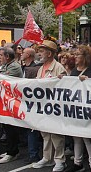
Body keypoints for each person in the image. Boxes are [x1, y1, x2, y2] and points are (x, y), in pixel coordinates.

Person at [32, 40, 67, 172]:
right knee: (45, 133)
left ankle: (60, 160)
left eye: (41, 51)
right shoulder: (41, 68)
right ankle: (47, 158)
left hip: (55, 107)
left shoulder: (58, 68)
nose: (39, 54)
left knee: (56, 134)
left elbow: (64, 87)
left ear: (50, 53)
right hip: (43, 106)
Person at [65, 45, 91, 172]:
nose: (75, 57)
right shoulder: (74, 70)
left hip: (87, 109)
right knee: (76, 137)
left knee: (87, 137)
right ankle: (77, 162)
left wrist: (87, 81)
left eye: (78, 54)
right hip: (76, 108)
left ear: (85, 57)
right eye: (74, 54)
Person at [0, 47, 24, 164]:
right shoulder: (6, 66)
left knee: (11, 128)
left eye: (1, 56)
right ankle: (11, 149)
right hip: (6, 100)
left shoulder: (14, 66)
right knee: (7, 127)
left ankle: (12, 152)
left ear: (7, 56)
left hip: (13, 101)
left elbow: (2, 78)